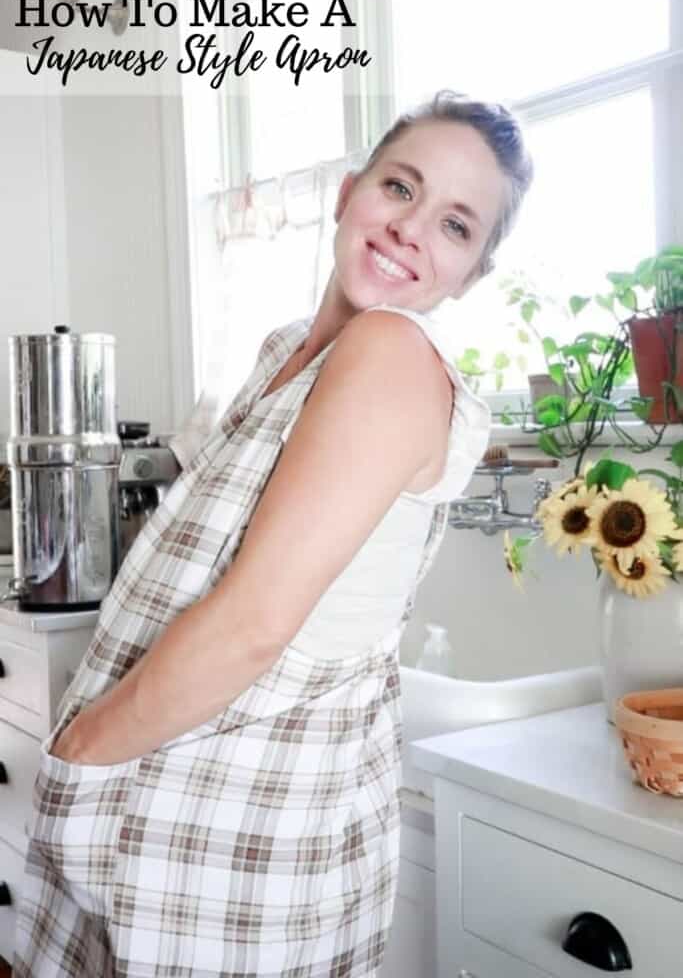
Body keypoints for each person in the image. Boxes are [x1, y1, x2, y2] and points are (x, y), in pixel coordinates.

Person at [13, 89, 533, 977]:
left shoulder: (390, 356)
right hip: (165, 790)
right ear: (347, 192)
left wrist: (77, 752)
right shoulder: (288, 347)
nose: (411, 229)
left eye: (455, 226)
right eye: (400, 188)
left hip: (243, 829)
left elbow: (254, 622)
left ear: (471, 273)